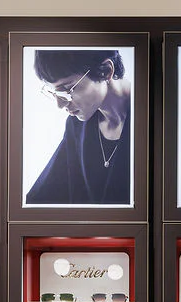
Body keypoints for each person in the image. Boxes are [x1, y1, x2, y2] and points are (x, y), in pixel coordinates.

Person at [26, 49, 132, 205]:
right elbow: (42, 195)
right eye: (55, 93)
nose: (60, 104)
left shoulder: (155, 116)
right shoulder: (77, 125)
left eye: (67, 89)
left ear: (106, 71)